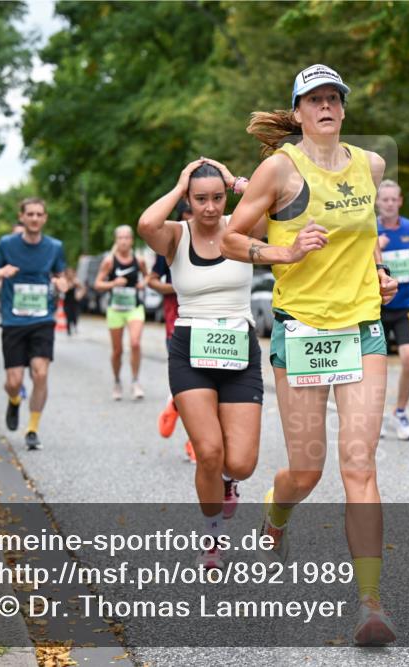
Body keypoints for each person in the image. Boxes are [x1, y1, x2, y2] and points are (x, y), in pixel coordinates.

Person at [220, 64, 400, 646]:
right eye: (313, 99)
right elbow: (230, 238)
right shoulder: (280, 169)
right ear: (297, 112)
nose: (325, 106)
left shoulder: (369, 166)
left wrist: (378, 271)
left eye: (333, 98)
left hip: (362, 327)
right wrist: (288, 251)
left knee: (359, 464)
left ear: (343, 109)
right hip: (300, 331)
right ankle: (276, 510)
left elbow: (365, 233)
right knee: (307, 469)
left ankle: (370, 604)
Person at [138, 157, 260, 570]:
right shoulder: (175, 234)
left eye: (217, 198)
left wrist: (237, 182)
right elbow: (145, 224)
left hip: (240, 346)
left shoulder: (240, 228)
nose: (210, 207)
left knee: (240, 462)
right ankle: (213, 538)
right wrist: (179, 183)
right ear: (188, 201)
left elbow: (285, 210)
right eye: (201, 199)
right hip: (191, 346)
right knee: (208, 451)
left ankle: (228, 483)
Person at [0, 197, 68, 451]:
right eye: (29, 214)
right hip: (13, 321)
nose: (34, 218)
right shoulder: (6, 244)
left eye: (39, 214)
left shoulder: (54, 247)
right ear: (21, 217)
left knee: (40, 373)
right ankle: (13, 399)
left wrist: (61, 284)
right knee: (14, 381)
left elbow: (60, 275)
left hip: (43, 319)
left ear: (45, 218)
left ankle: (32, 429)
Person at [376, 179, 409, 440]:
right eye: (384, 199)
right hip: (376, 307)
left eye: (392, 199)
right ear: (377, 202)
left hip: (405, 305)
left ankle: (400, 412)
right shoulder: (369, 229)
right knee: (375, 366)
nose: (388, 203)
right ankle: (374, 417)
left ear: (400, 201)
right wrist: (375, 247)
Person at [149, 200, 193, 461]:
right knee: (190, 385)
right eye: (188, 215)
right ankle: (193, 441)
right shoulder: (171, 243)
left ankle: (175, 405)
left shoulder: (218, 241)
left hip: (208, 323)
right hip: (175, 323)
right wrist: (175, 287)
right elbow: (152, 280)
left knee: (206, 388)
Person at [94, 225, 148, 400]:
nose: (124, 241)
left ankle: (135, 381)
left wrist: (143, 283)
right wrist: (112, 284)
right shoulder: (109, 261)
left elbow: (148, 275)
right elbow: (97, 284)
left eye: (127, 237)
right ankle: (117, 381)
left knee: (135, 344)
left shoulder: (139, 260)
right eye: (121, 238)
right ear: (116, 241)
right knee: (117, 350)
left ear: (131, 240)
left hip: (134, 307)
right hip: (115, 309)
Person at [61, 267, 84, 336]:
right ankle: (68, 330)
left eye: (71, 273)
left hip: (74, 302)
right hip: (67, 302)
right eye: (69, 273)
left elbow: (83, 288)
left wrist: (80, 295)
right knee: (68, 316)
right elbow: (64, 290)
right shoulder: (65, 281)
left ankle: (75, 326)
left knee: (75, 316)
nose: (70, 274)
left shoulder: (76, 281)